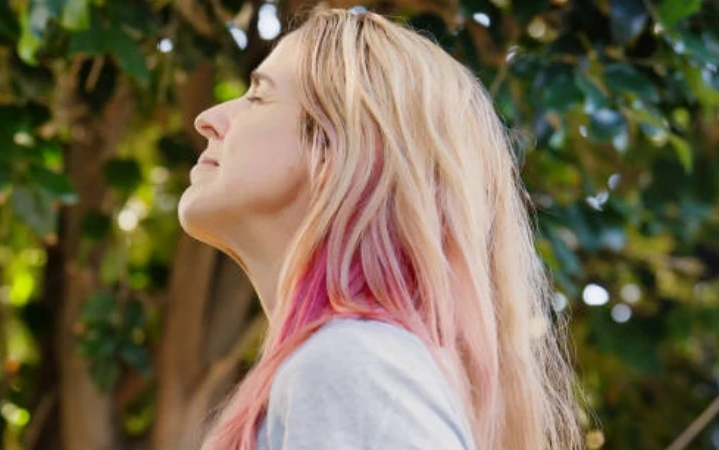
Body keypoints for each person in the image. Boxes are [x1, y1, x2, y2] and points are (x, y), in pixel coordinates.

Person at [177, 6, 584, 450]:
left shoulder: (351, 364)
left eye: (258, 97)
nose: (209, 118)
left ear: (340, 152)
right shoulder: (352, 365)